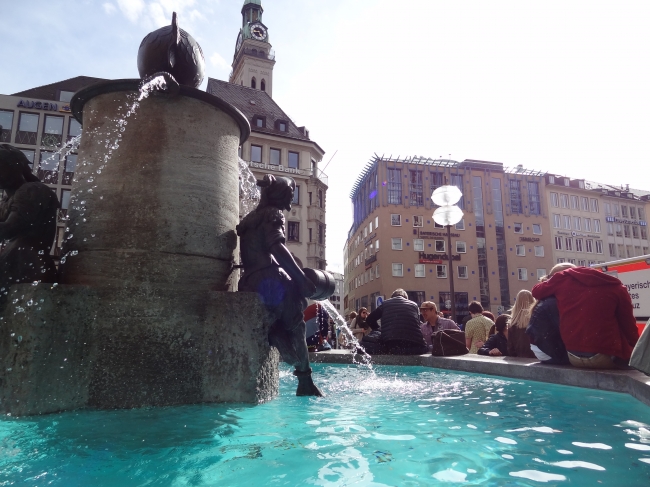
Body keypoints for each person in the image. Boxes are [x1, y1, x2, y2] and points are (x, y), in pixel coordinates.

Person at [236, 174, 322, 396]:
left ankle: (276, 334)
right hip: (272, 279)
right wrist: (300, 278)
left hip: (248, 281)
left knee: (285, 323)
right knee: (297, 326)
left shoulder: (249, 220)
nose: (292, 199)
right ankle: (305, 380)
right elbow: (277, 248)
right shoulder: (274, 215)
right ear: (282, 195)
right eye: (291, 194)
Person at [532, 263, 638, 369]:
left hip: (573, 356)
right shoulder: (617, 288)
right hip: (607, 356)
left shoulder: (562, 280)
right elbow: (629, 326)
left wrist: (555, 279)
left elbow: (536, 291)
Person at [0, 144, 59, 293]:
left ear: (16, 165)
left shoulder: (32, 190)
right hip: (17, 265)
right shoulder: (6, 200)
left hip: (28, 268)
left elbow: (8, 229)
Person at [364, 289, 428, 355]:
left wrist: (377, 329)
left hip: (390, 343)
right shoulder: (414, 305)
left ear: (392, 297)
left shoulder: (385, 304)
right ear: (406, 298)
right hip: (413, 344)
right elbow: (417, 323)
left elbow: (369, 319)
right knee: (426, 347)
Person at [507, 290, 537, 358]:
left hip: (520, 359)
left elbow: (510, 348)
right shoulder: (536, 319)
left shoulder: (512, 323)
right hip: (537, 358)